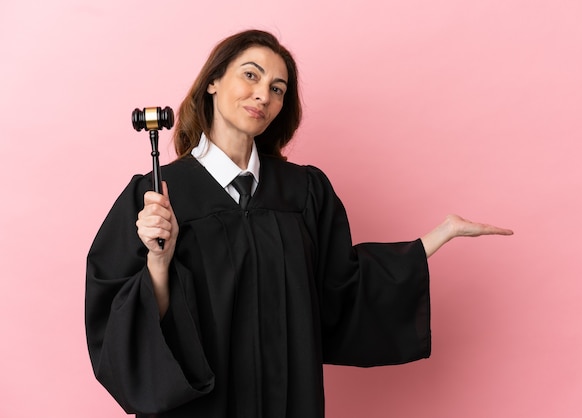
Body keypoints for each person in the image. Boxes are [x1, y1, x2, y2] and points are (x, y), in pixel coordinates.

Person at [85, 29, 513, 418]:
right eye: (250, 76)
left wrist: (437, 237)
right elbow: (119, 323)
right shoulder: (159, 193)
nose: (263, 96)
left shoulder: (304, 191)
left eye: (277, 88)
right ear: (212, 81)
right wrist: (158, 264)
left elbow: (342, 287)